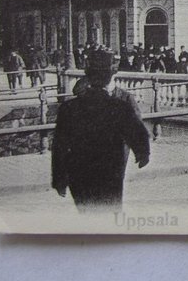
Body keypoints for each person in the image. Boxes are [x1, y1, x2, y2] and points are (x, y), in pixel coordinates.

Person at [51, 48, 150, 211]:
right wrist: (142, 154)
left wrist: (59, 179)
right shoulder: (120, 107)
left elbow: (59, 146)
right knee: (109, 211)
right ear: (110, 76)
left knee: (86, 212)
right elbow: (138, 133)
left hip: (79, 172)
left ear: (87, 76)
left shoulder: (68, 108)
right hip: (110, 170)